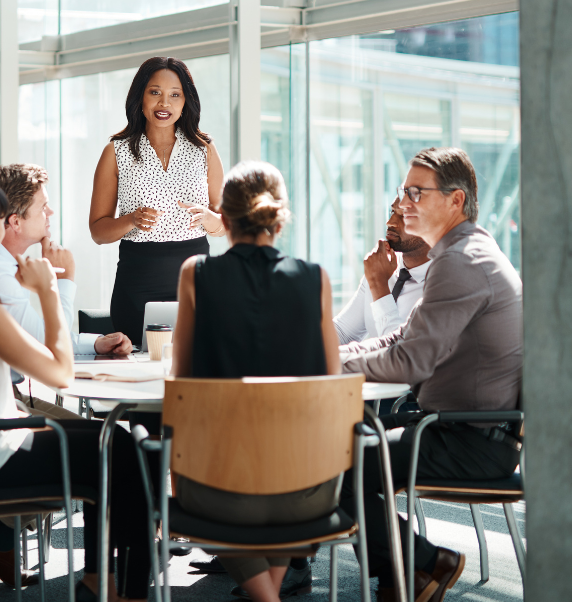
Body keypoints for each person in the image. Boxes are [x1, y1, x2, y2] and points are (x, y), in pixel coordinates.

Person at [0, 181, 151, 602]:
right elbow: (58, 373)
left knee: (103, 445)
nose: (5, 230)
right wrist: (50, 291)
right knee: (119, 449)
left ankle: (99, 579)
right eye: (0, 221)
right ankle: (127, 591)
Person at [338, 148, 522, 602]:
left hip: (470, 439)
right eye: (404, 191)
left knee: (335, 464)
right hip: (460, 429)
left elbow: (408, 363)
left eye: (417, 192)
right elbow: (399, 338)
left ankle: (422, 565)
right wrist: (329, 356)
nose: (404, 203)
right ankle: (412, 573)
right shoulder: (460, 253)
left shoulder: (461, 262)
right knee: (342, 440)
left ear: (456, 201)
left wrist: (329, 363)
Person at [170, 161, 342, 602]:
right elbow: (331, 384)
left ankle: (266, 597)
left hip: (217, 487)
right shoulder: (315, 278)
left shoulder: (196, 273)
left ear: (222, 219)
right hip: (308, 489)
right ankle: (270, 592)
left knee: (207, 475)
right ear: (279, 217)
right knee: (281, 474)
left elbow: (182, 383)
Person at [90, 56, 227, 346]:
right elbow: (98, 231)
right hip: (137, 280)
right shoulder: (116, 152)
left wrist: (208, 218)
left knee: (196, 361)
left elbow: (226, 223)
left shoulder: (205, 149)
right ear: (140, 98)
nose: (165, 103)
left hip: (196, 278)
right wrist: (130, 220)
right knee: (138, 360)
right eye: (155, 93)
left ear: (185, 101)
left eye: (175, 95)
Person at [0, 163, 134, 412]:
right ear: (16, 222)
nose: (50, 212)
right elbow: (52, 349)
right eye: (43, 207)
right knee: (113, 439)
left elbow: (41, 336)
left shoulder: (2, 265)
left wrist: (96, 344)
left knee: (108, 435)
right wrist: (62, 283)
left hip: (3, 403)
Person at [334, 197, 432, 344]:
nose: (390, 222)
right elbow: (343, 332)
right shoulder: (383, 266)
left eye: (404, 216)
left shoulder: (442, 283)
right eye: (392, 211)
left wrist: (379, 285)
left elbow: (403, 356)